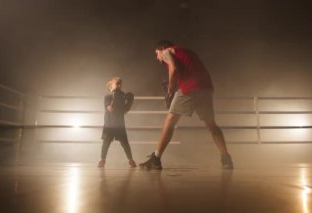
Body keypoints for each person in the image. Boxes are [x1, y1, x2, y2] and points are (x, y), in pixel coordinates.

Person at [139, 40, 234, 170]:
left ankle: (156, 158)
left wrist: (170, 91)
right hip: (205, 87)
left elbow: (173, 68)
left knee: (170, 120)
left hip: (190, 87)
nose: (157, 57)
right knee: (211, 124)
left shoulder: (167, 51)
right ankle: (226, 157)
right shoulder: (185, 51)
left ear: (161, 49)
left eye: (156, 54)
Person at [98, 76, 137, 168]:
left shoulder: (122, 96)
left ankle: (130, 160)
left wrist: (129, 100)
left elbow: (125, 110)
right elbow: (110, 108)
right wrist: (115, 95)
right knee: (106, 143)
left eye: (120, 84)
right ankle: (102, 160)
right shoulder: (107, 97)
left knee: (125, 143)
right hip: (109, 124)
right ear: (111, 87)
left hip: (119, 124)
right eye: (117, 84)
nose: (119, 85)